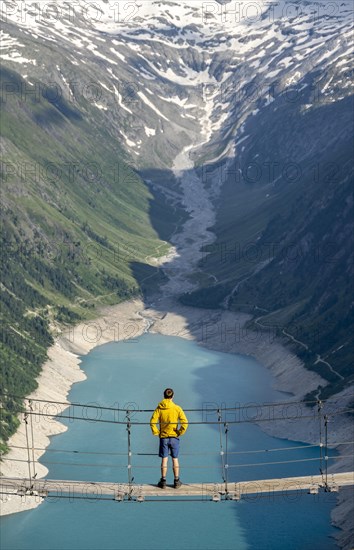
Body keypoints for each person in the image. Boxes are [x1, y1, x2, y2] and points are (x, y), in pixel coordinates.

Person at [150, 388, 188, 489]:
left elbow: (152, 422)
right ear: (173, 396)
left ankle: (163, 481)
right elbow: (185, 423)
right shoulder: (177, 408)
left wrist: (157, 432)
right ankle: (176, 481)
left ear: (164, 396)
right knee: (175, 459)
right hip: (174, 437)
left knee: (164, 459)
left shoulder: (159, 408)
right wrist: (180, 432)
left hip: (163, 437)